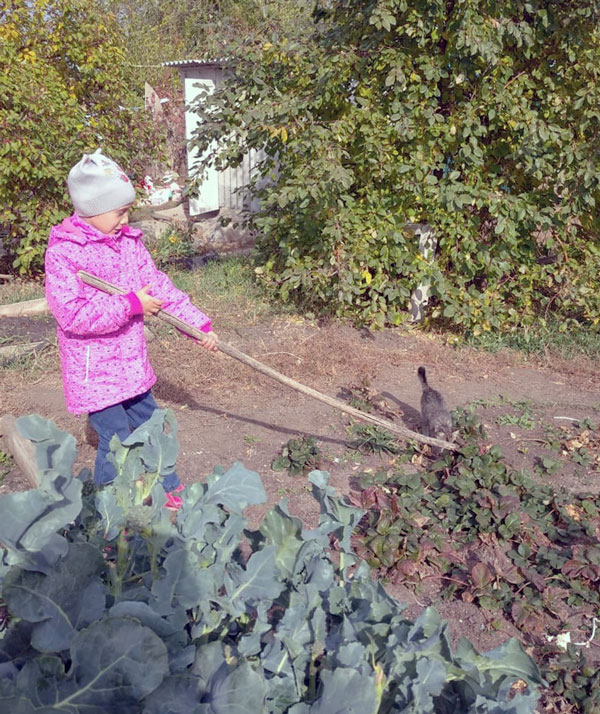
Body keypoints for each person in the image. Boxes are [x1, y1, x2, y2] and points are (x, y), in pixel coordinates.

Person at [45, 149, 218, 509]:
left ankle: (166, 486)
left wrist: (197, 325)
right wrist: (129, 305)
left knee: (153, 427)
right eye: (119, 211)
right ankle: (109, 511)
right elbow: (72, 315)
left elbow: (158, 288)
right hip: (95, 373)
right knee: (115, 442)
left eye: (127, 211)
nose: (125, 219)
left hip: (131, 365)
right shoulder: (64, 253)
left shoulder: (129, 245)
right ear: (90, 210)